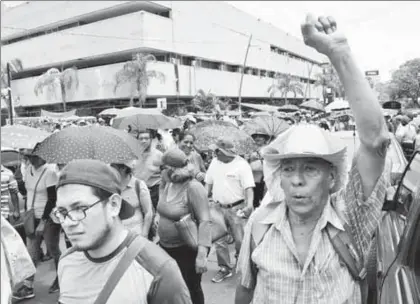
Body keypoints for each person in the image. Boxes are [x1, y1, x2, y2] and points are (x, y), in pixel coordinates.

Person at [235, 14, 390, 304]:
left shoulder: (349, 218)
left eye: (310, 169)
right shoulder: (260, 222)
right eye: (289, 168)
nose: (296, 179)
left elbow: (376, 140)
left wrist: (339, 54)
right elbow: (244, 288)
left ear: (331, 177)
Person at [53, 159, 191, 304]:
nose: (68, 222)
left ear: (114, 205)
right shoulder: (67, 261)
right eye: (62, 211)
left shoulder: (158, 270)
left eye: (80, 208)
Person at [157, 149, 211, 304]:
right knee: (173, 289)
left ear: (172, 169)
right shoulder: (169, 183)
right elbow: (164, 206)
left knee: (191, 289)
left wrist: (202, 256)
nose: (161, 171)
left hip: (186, 250)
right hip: (166, 247)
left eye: (164, 168)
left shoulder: (193, 187)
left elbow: (205, 221)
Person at [205, 139, 255, 283]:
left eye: (217, 151)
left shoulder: (242, 165)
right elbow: (208, 183)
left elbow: (248, 188)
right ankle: (224, 268)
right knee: (219, 241)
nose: (214, 154)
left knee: (240, 239)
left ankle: (241, 262)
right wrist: (203, 199)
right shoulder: (214, 163)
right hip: (217, 207)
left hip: (236, 208)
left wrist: (249, 205)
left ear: (226, 152)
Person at [13, 152, 61, 300]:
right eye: (27, 156)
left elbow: (52, 199)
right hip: (31, 216)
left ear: (41, 156)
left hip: (48, 218)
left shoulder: (50, 172)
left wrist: (43, 221)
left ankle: (61, 278)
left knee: (53, 251)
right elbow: (25, 191)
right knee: (31, 252)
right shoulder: (28, 170)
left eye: (31, 156)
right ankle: (28, 286)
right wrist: (19, 180)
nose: (29, 159)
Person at [110, 161, 153, 238]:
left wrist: (144, 234)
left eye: (113, 167)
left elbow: (148, 212)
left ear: (123, 168)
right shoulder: (110, 185)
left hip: (136, 235)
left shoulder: (138, 185)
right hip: (116, 235)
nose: (110, 169)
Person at [248, 132, 271, 208]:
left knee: (264, 198)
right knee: (254, 199)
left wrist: (260, 159)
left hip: (264, 177)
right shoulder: (250, 148)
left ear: (265, 139)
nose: (257, 138)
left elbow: (270, 161)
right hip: (252, 177)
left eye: (260, 136)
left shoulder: (268, 148)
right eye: (255, 136)